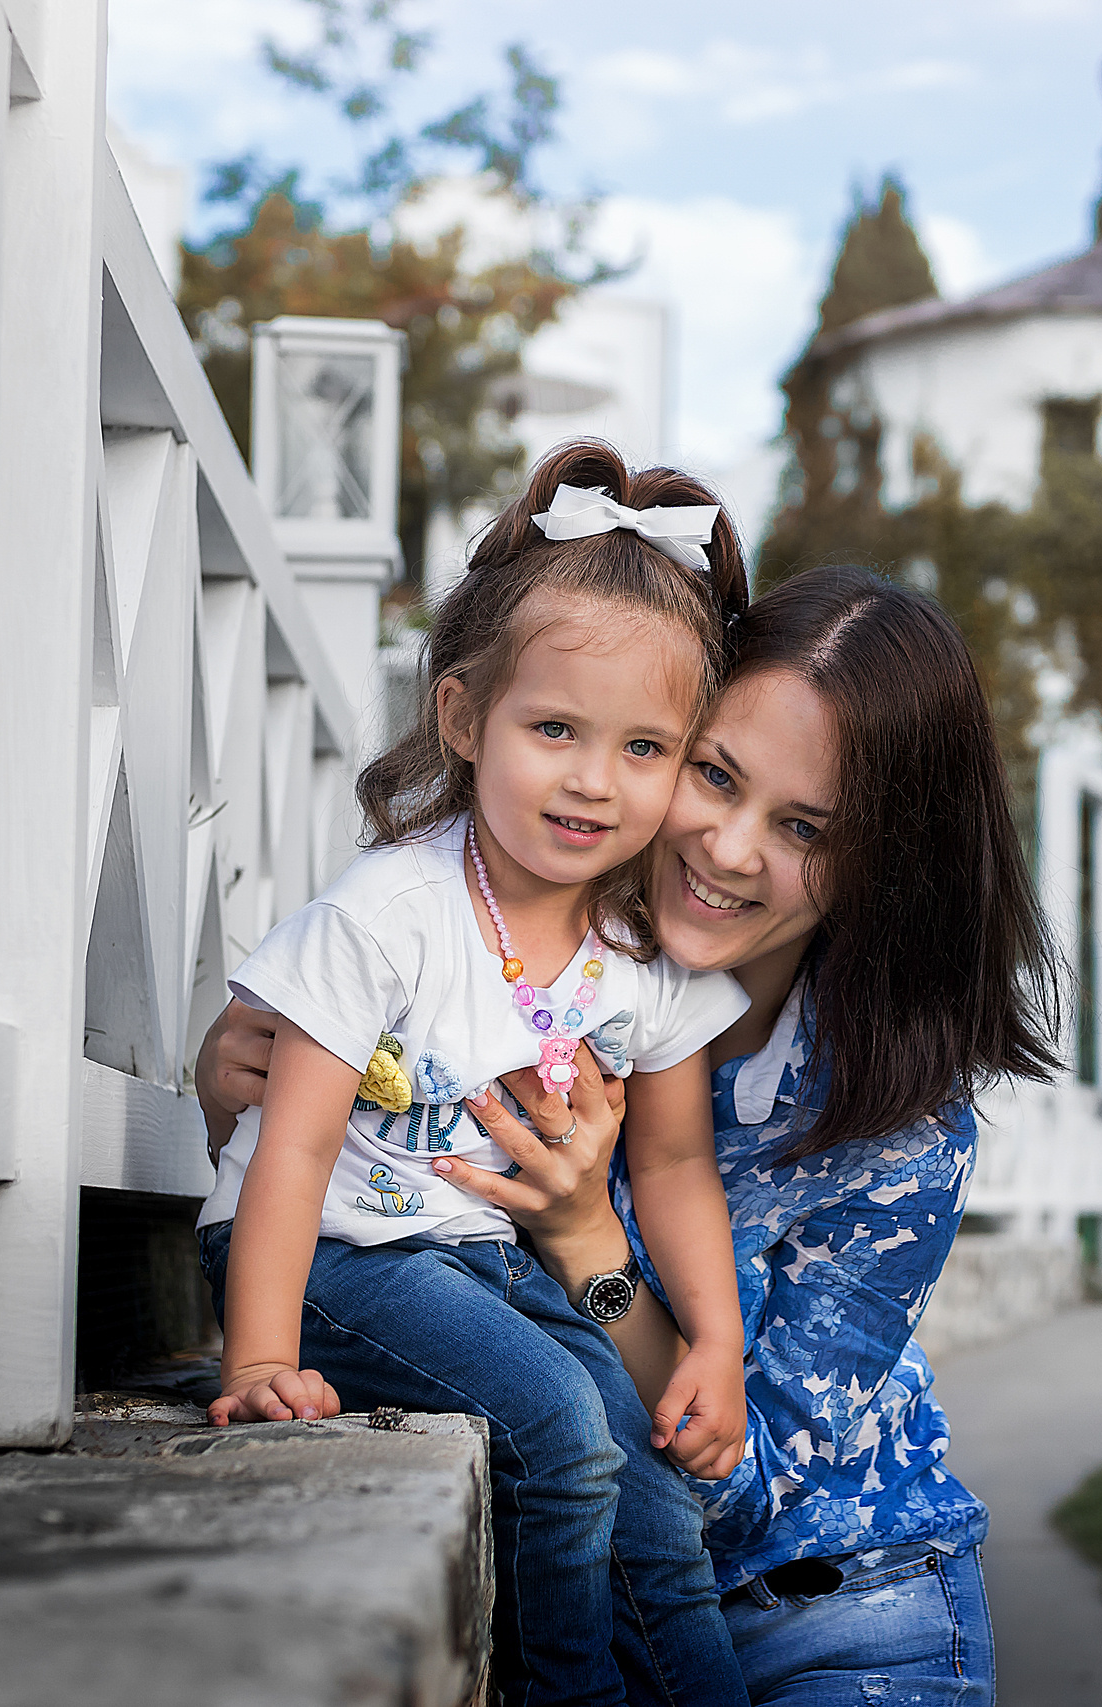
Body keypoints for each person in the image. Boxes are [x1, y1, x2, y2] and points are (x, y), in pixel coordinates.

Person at [204, 565, 1060, 1703]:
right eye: (715, 774)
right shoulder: (506, 961)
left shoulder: (898, 1126)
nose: (731, 848)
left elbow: (736, 1479)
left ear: (878, 863)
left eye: (804, 826)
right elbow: (325, 1180)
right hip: (602, 1592)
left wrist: (587, 1246)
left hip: (840, 1607)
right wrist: (228, 1091)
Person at [197, 440, 756, 1707]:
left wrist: (708, 1346)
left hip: (495, 1269)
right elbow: (288, 1148)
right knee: (559, 1426)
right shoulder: (390, 913)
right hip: (341, 1256)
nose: (591, 781)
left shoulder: (642, 954)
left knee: (656, 1502)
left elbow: (670, 1161)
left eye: (643, 748)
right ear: (464, 717)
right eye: (553, 728)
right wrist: (256, 1357)